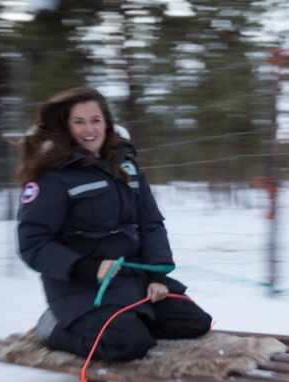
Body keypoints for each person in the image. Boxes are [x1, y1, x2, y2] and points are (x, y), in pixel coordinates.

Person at [16, 86, 212, 363]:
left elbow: (150, 223)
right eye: (79, 122)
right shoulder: (52, 177)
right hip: (80, 290)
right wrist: (88, 268)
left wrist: (156, 276)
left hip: (131, 280)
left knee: (195, 323)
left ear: (107, 122)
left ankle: (126, 321)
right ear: (65, 126)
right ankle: (54, 327)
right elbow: (33, 243)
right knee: (128, 344)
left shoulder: (125, 165)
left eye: (96, 120)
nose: (89, 130)